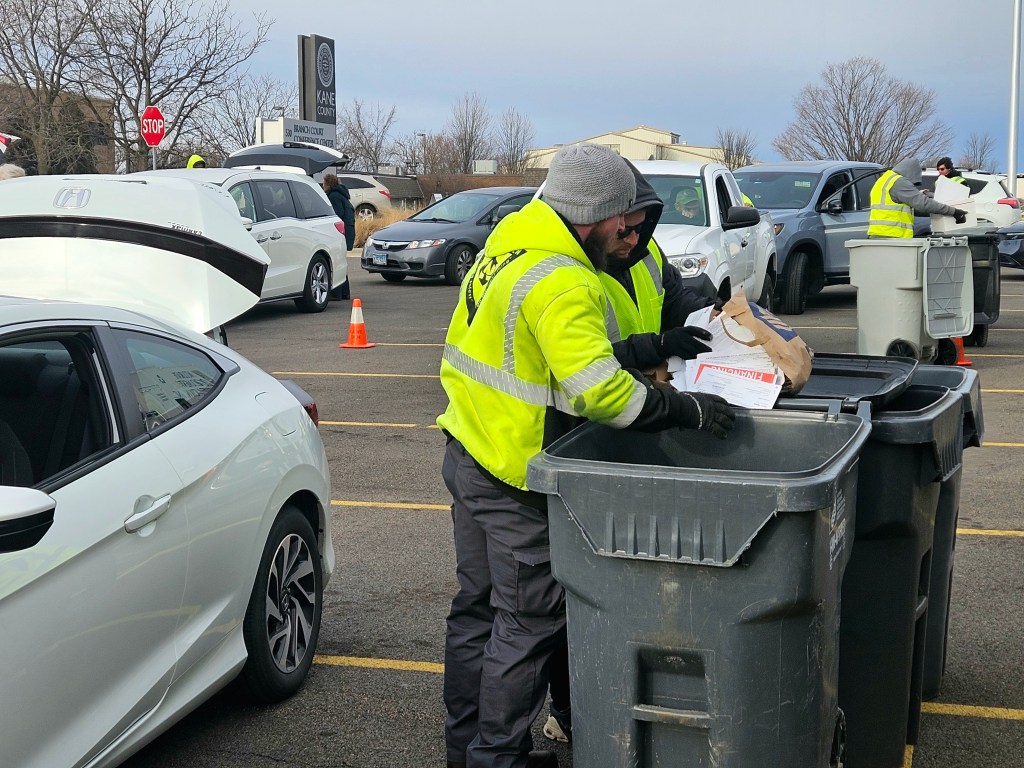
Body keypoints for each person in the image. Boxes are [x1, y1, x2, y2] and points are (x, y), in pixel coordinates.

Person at [437, 142, 735, 768]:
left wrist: (653, 341)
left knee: (478, 612)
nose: (631, 238)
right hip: (516, 469)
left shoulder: (511, 246)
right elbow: (603, 395)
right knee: (530, 623)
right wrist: (690, 411)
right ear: (592, 216)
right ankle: (498, 760)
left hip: (471, 445)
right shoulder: (563, 278)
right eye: (625, 226)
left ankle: (465, 750)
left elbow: (555, 361)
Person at [541, 162, 718, 747]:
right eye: (629, 228)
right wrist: (660, 380)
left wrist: (707, 314)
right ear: (603, 220)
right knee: (577, 593)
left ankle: (628, 697)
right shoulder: (574, 274)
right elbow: (587, 374)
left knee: (631, 587)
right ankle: (572, 710)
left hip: (636, 431)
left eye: (645, 227)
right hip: (587, 435)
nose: (636, 240)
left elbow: (675, 292)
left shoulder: (642, 248)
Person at [868, 157, 967, 237]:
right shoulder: (899, 182)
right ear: (911, 173)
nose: (912, 185)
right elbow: (923, 204)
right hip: (892, 235)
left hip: (878, 234)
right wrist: (953, 211)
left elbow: (898, 206)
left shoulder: (884, 179)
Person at [323, 173, 357, 252]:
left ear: (329, 184)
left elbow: (337, 214)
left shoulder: (334, 196)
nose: (323, 186)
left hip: (343, 232)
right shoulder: (342, 195)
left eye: (324, 183)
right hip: (348, 230)